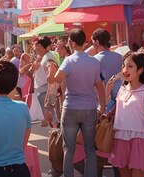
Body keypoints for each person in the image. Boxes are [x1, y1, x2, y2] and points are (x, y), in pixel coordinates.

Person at [51, 29, 105, 177]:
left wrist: (54, 68)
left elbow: (57, 78)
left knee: (68, 148)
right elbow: (100, 86)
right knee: (90, 149)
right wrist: (103, 107)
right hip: (90, 108)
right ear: (85, 42)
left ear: (71, 43)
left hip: (71, 107)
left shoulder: (68, 61)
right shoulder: (94, 62)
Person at [30, 37, 55, 126]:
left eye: (36, 45)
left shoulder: (48, 57)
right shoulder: (44, 57)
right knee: (49, 117)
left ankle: (55, 136)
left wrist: (50, 92)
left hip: (45, 91)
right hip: (43, 91)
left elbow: (51, 73)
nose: (34, 47)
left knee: (51, 118)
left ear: (40, 46)